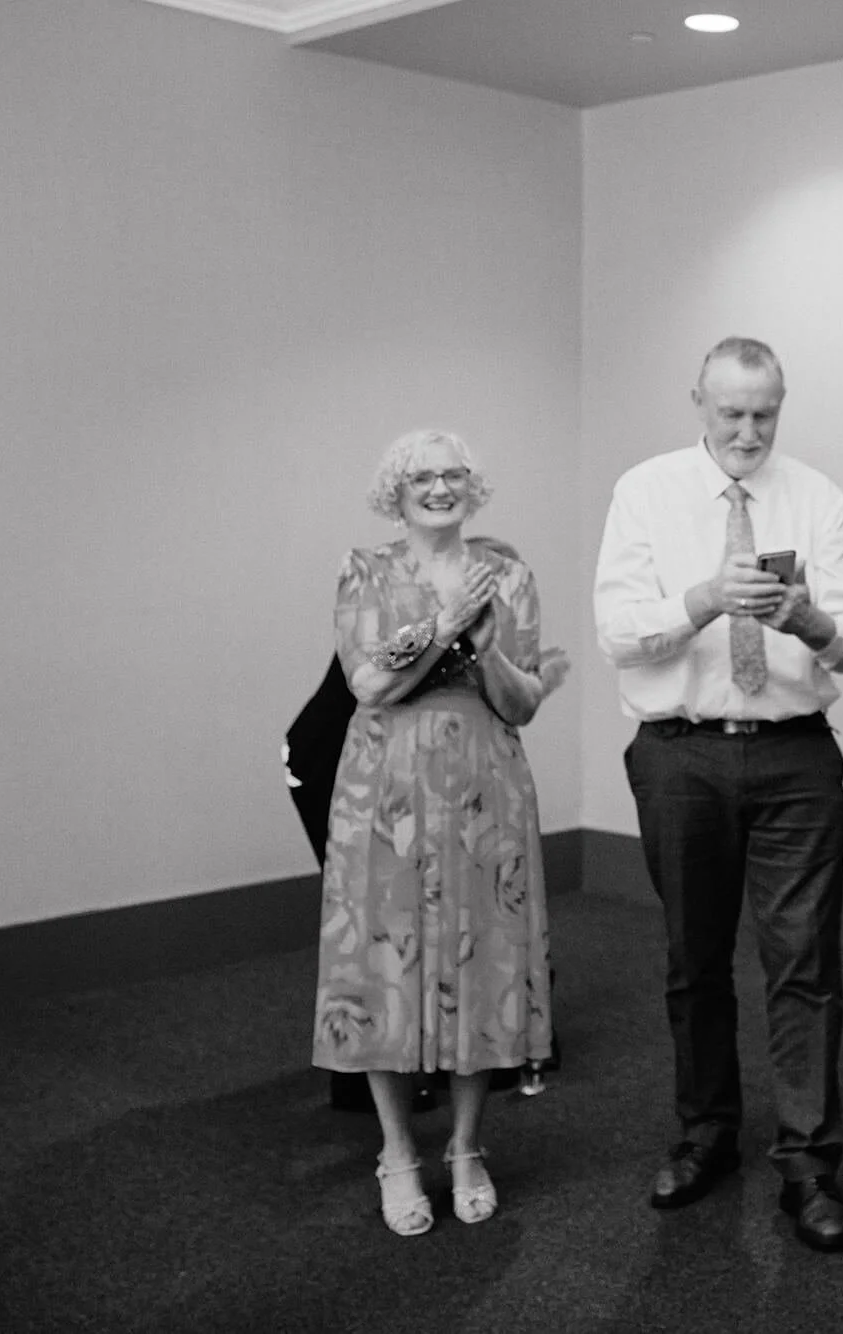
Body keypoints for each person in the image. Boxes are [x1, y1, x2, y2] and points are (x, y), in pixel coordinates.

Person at [593, 337, 843, 1253]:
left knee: (805, 964)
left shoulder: (817, 497)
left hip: (795, 756)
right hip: (681, 754)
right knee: (695, 957)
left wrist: (808, 618)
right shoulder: (646, 492)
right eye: (732, 414)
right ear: (700, 403)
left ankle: (808, 1165)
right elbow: (618, 633)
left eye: (765, 414)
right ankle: (705, 1133)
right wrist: (705, 599)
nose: (749, 432)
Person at [312, 429, 569, 1237]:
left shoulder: (509, 573)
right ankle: (396, 1152)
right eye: (421, 476)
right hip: (384, 788)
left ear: (471, 487)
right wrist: (445, 623)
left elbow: (522, 702)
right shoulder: (366, 570)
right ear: (396, 491)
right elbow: (369, 684)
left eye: (453, 474)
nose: (439, 487)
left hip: (485, 786)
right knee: (384, 962)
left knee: (482, 959)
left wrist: (485, 651)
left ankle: (465, 1146)